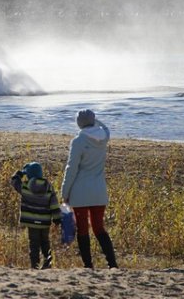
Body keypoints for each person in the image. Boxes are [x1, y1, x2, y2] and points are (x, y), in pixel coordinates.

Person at [60, 110, 118, 269]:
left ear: (79, 123)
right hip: (99, 191)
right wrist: (95, 121)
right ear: (94, 121)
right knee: (99, 228)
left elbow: (71, 168)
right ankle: (112, 264)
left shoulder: (78, 141)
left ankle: (88, 266)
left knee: (83, 230)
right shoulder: (104, 137)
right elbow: (105, 128)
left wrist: (64, 192)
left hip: (80, 192)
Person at [10, 162, 62, 269]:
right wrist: (57, 219)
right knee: (45, 243)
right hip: (45, 222)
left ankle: (35, 265)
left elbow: (15, 183)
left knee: (34, 244)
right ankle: (48, 262)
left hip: (32, 222)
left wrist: (18, 174)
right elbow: (54, 204)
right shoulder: (48, 187)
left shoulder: (25, 187)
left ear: (28, 175)